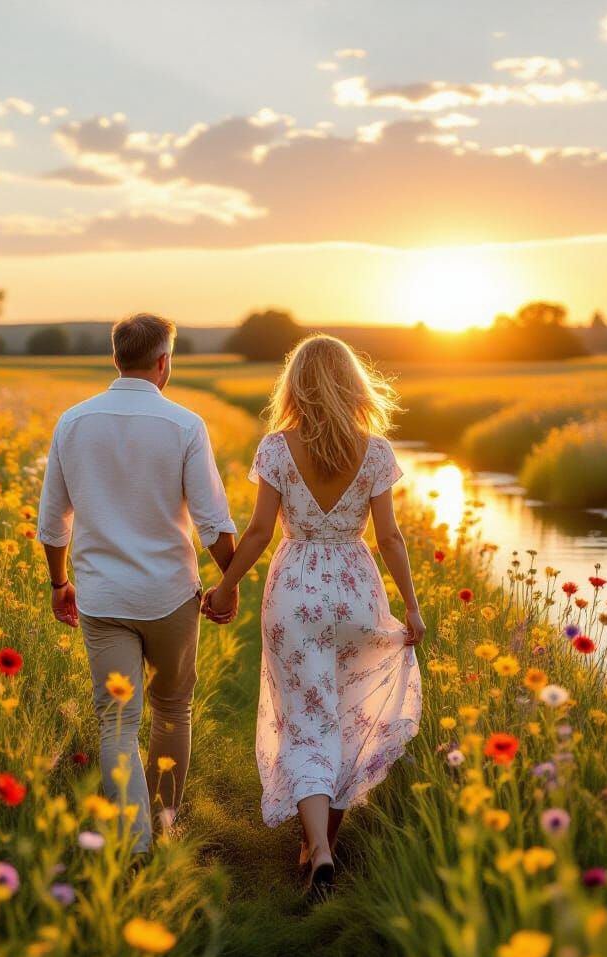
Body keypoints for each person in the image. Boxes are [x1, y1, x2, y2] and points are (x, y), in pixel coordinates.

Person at [202, 334, 424, 894]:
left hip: (295, 587)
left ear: (294, 384)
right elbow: (390, 537)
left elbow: (256, 532)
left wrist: (225, 586)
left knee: (306, 720)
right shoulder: (375, 451)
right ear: (352, 383)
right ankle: (321, 843)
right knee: (349, 715)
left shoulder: (277, 448)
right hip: (356, 587)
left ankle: (317, 846)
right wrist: (412, 608)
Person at [37, 312, 237, 852]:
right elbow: (213, 520)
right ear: (164, 362)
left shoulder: (72, 422)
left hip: (103, 597)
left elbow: (53, 522)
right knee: (172, 709)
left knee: (116, 725)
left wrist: (60, 584)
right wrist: (230, 579)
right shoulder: (185, 424)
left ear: (116, 358)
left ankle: (133, 842)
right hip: (169, 595)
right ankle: (166, 823)